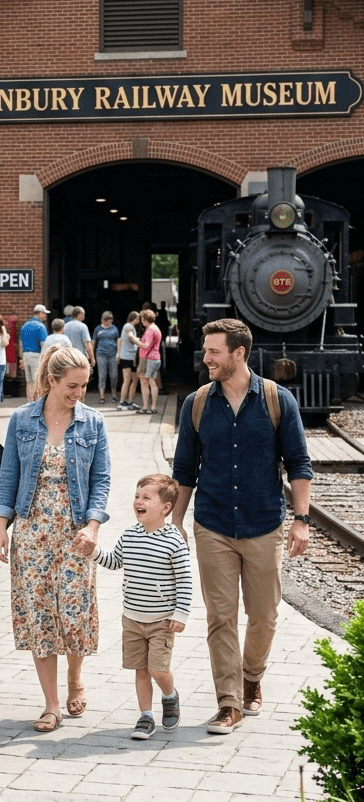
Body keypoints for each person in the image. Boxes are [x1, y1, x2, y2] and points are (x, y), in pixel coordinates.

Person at [172, 318, 312, 735]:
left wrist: (301, 520)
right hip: (212, 523)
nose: (206, 357)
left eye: (214, 351)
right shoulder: (196, 403)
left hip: (264, 524)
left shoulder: (276, 399)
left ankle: (252, 676)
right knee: (220, 616)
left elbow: (299, 464)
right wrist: (174, 522)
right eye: (206, 350)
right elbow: (184, 469)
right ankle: (229, 702)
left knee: (265, 616)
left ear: (238, 353)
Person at [0, 346, 110, 732]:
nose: (80, 393)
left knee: (74, 614)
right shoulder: (22, 419)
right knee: (41, 616)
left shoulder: (93, 423)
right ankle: (51, 704)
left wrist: (93, 526)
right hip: (33, 531)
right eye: (72, 386)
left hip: (76, 533)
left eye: (85, 385)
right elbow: (8, 476)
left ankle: (76, 676)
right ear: (52, 380)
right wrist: (0, 528)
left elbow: (101, 480)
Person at [88, 474, 192, 740]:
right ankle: (145, 717)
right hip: (132, 618)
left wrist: (180, 614)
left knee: (158, 669)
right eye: (137, 496)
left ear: (165, 508)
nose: (138, 501)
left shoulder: (173, 541)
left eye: (146, 497)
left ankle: (170, 696)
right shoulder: (129, 535)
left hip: (162, 620)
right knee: (140, 670)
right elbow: (114, 562)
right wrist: (93, 550)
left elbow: (185, 580)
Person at [18, 304, 48, 402]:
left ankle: (30, 402)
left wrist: (21, 359)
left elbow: (20, 344)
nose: (45, 316)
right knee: (37, 381)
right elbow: (44, 344)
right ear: (39, 313)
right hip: (37, 355)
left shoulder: (25, 325)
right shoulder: (41, 326)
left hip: (26, 355)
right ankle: (37, 403)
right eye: (44, 313)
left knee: (29, 382)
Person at [136, 308, 161, 415]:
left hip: (149, 359)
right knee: (150, 382)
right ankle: (151, 407)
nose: (141, 321)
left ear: (145, 319)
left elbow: (146, 345)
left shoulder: (150, 330)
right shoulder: (155, 328)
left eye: (142, 319)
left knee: (147, 382)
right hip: (154, 358)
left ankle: (148, 407)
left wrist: (134, 339)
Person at [92, 311, 120, 405]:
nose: (109, 323)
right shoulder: (98, 329)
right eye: (108, 321)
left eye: (111, 320)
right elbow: (93, 341)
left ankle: (114, 395)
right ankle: (102, 396)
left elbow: (118, 340)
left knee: (114, 375)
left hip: (112, 354)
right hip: (101, 354)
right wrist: (91, 354)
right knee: (102, 375)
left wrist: (118, 353)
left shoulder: (114, 329)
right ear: (103, 320)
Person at [117, 311, 141, 410]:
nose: (139, 321)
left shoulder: (127, 326)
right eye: (138, 319)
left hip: (130, 356)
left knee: (134, 379)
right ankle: (122, 402)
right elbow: (131, 337)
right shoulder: (129, 327)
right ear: (134, 318)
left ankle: (130, 401)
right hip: (127, 357)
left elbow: (120, 340)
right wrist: (140, 343)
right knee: (127, 380)